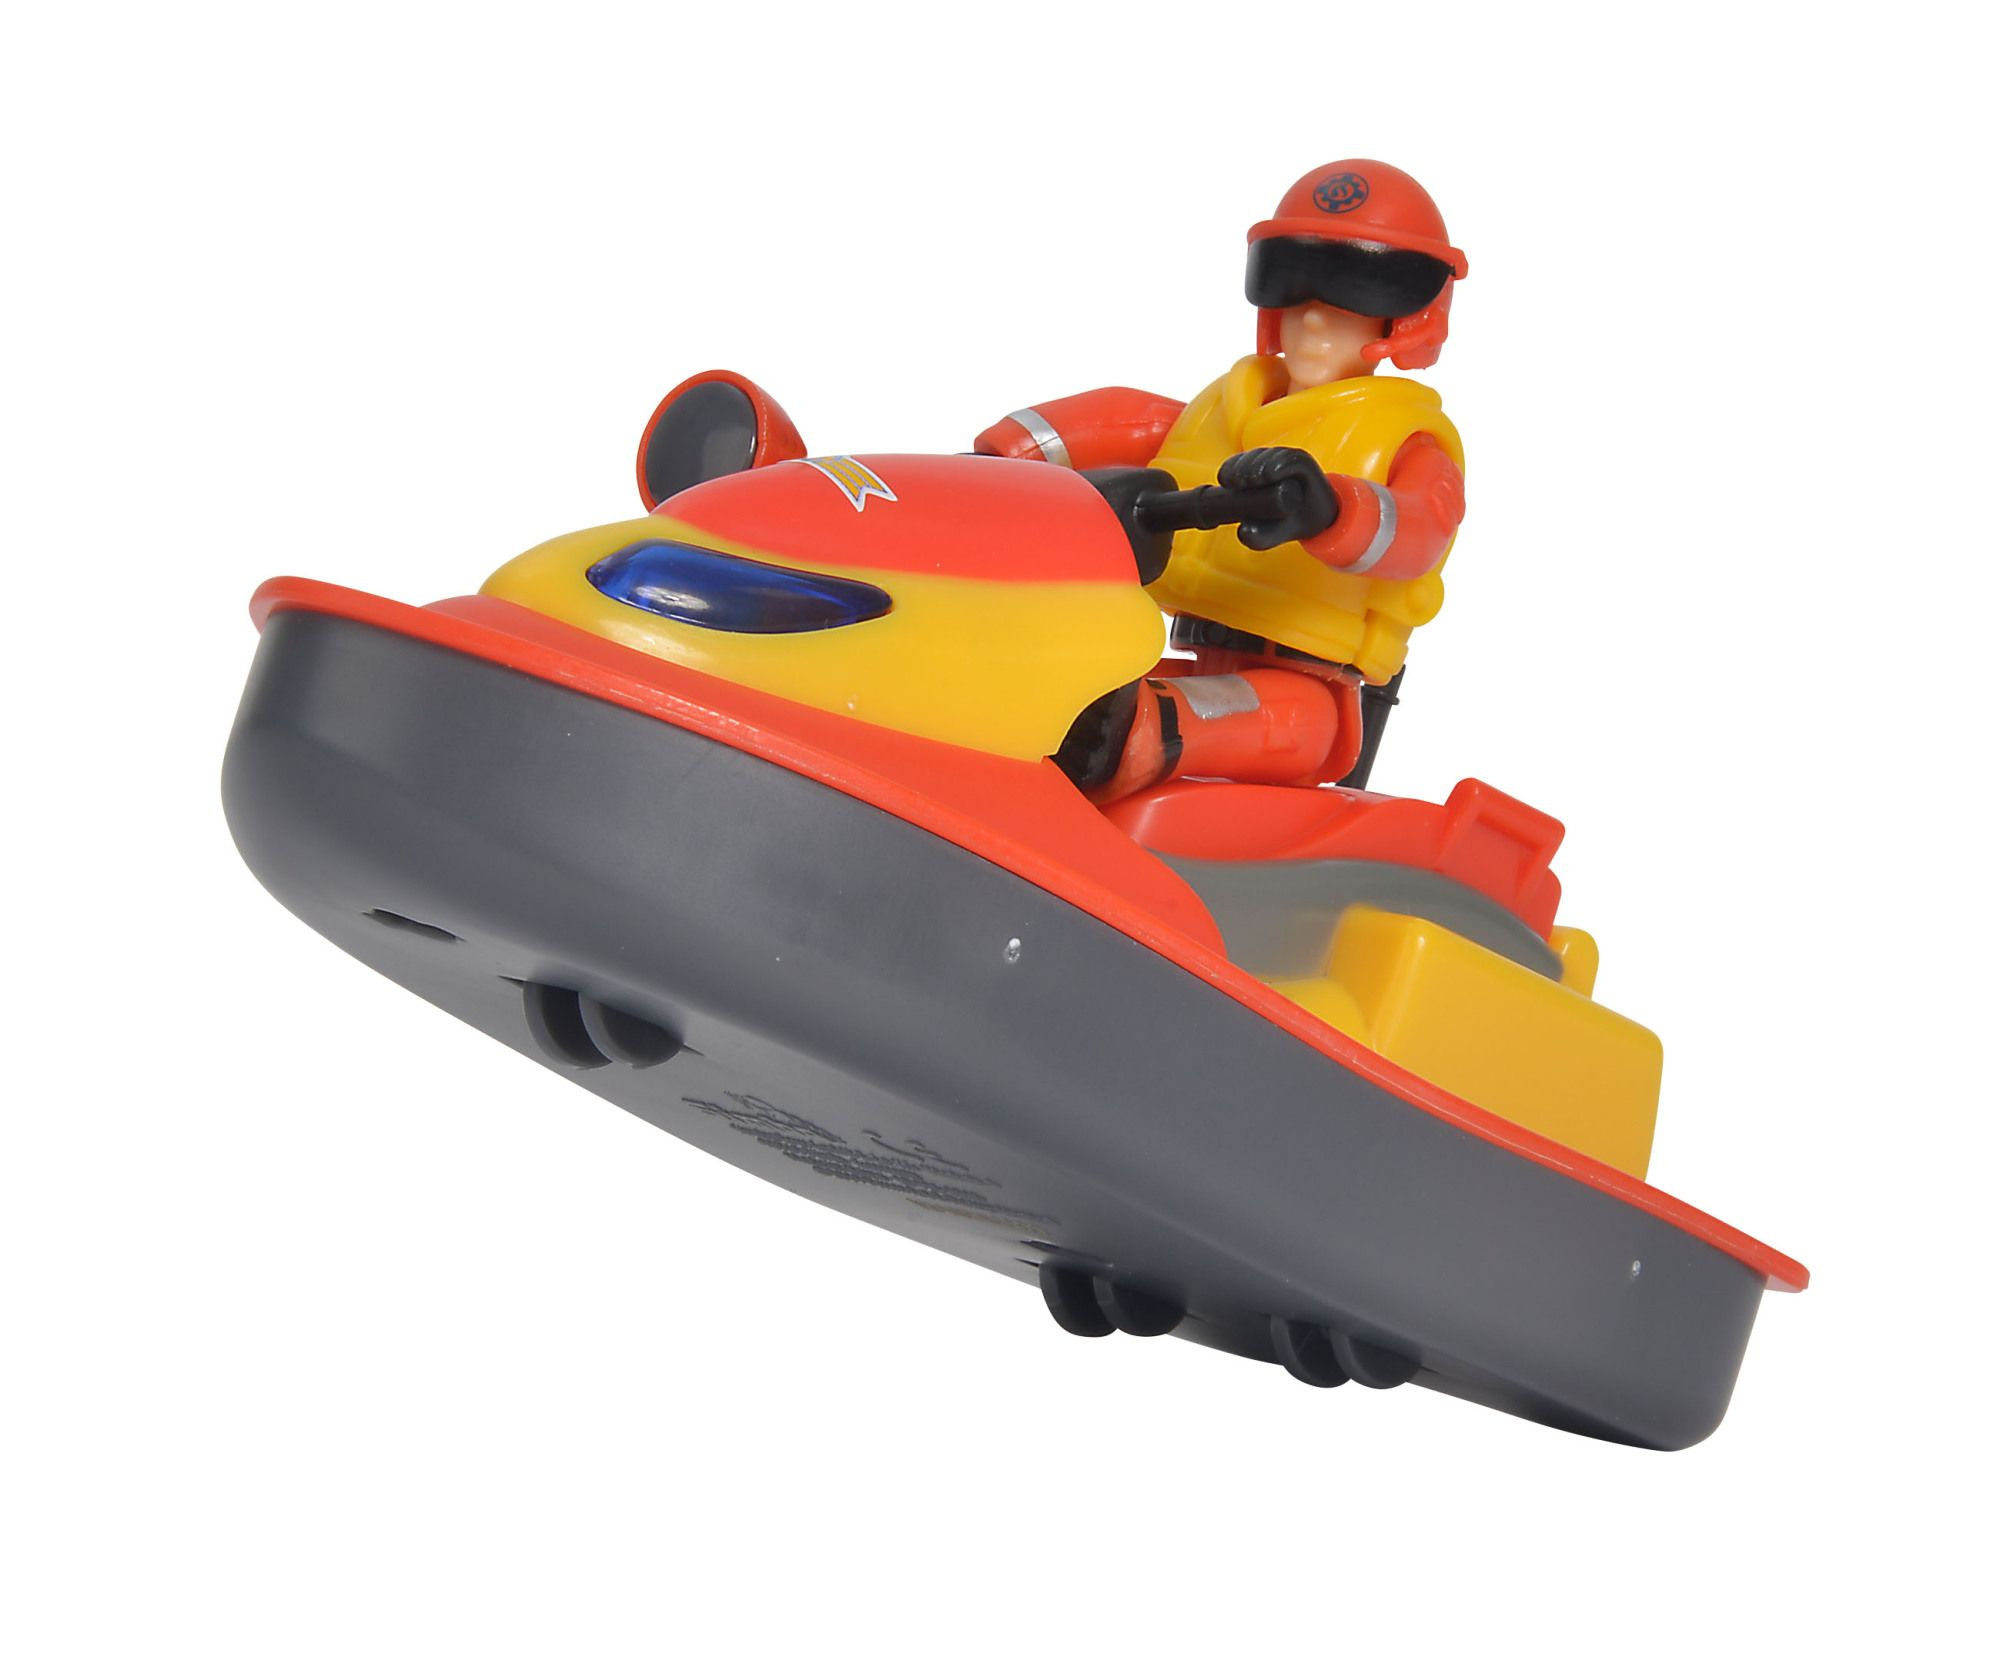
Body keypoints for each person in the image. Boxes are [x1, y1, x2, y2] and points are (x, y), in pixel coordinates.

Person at [975, 160, 1468, 798]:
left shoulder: (1408, 440)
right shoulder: (1225, 407)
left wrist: (1331, 510)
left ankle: (1131, 738)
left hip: (1308, 694)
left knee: (1199, 717)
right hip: (1179, 646)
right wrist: (1003, 458)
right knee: (1060, 672)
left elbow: (1420, 528)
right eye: (1295, 289)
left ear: (1402, 317)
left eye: (1352, 296)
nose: (1314, 321)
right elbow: (1127, 417)